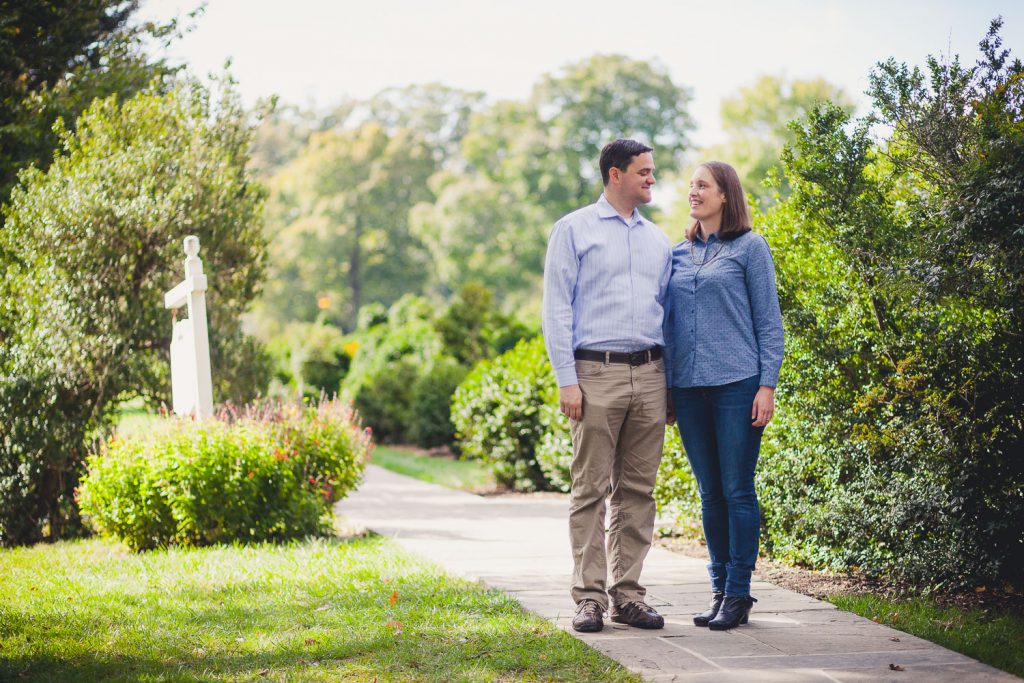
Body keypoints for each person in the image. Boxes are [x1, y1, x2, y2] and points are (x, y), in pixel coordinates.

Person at [542, 138, 672, 633]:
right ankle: (589, 598)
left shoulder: (658, 240)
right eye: (643, 172)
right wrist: (567, 380)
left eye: (653, 172)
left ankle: (629, 595)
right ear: (615, 175)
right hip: (595, 373)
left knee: (638, 490)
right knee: (591, 489)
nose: (652, 179)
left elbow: (669, 316)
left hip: (652, 374)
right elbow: (556, 309)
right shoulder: (573, 230)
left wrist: (671, 386)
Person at [664, 160, 784, 631]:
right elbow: (668, 327)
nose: (693, 191)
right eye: (691, 184)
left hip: (737, 384)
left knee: (737, 490)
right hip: (689, 389)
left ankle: (739, 592)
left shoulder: (750, 248)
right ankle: (717, 589)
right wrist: (669, 389)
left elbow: (768, 322)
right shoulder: (677, 253)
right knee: (709, 493)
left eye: (702, 185)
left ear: (725, 195)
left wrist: (767, 385)